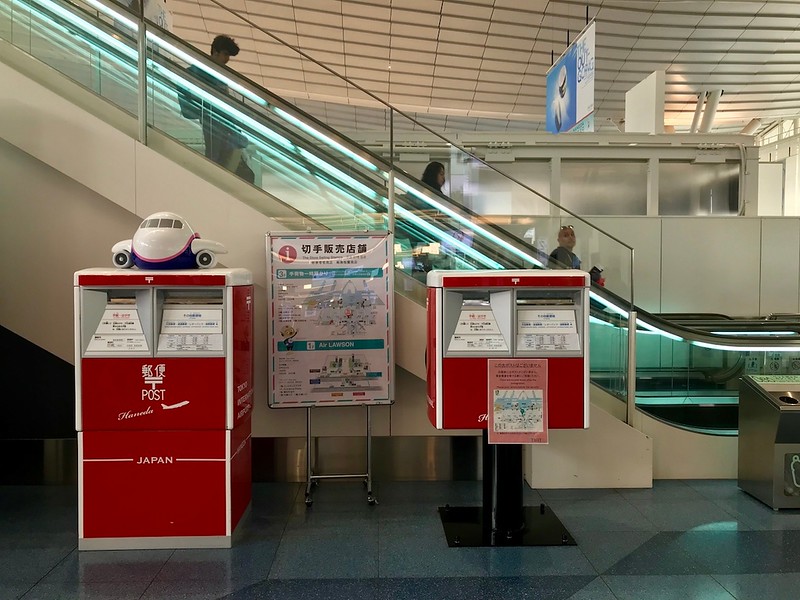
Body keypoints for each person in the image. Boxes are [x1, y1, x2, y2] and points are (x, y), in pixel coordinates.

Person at [186, 35, 254, 183]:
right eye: (225, 54)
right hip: (212, 121)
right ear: (214, 52)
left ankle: (216, 180)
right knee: (215, 155)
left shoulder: (219, 76)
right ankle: (213, 182)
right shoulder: (199, 71)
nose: (226, 59)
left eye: (228, 55)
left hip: (220, 123)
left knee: (221, 156)